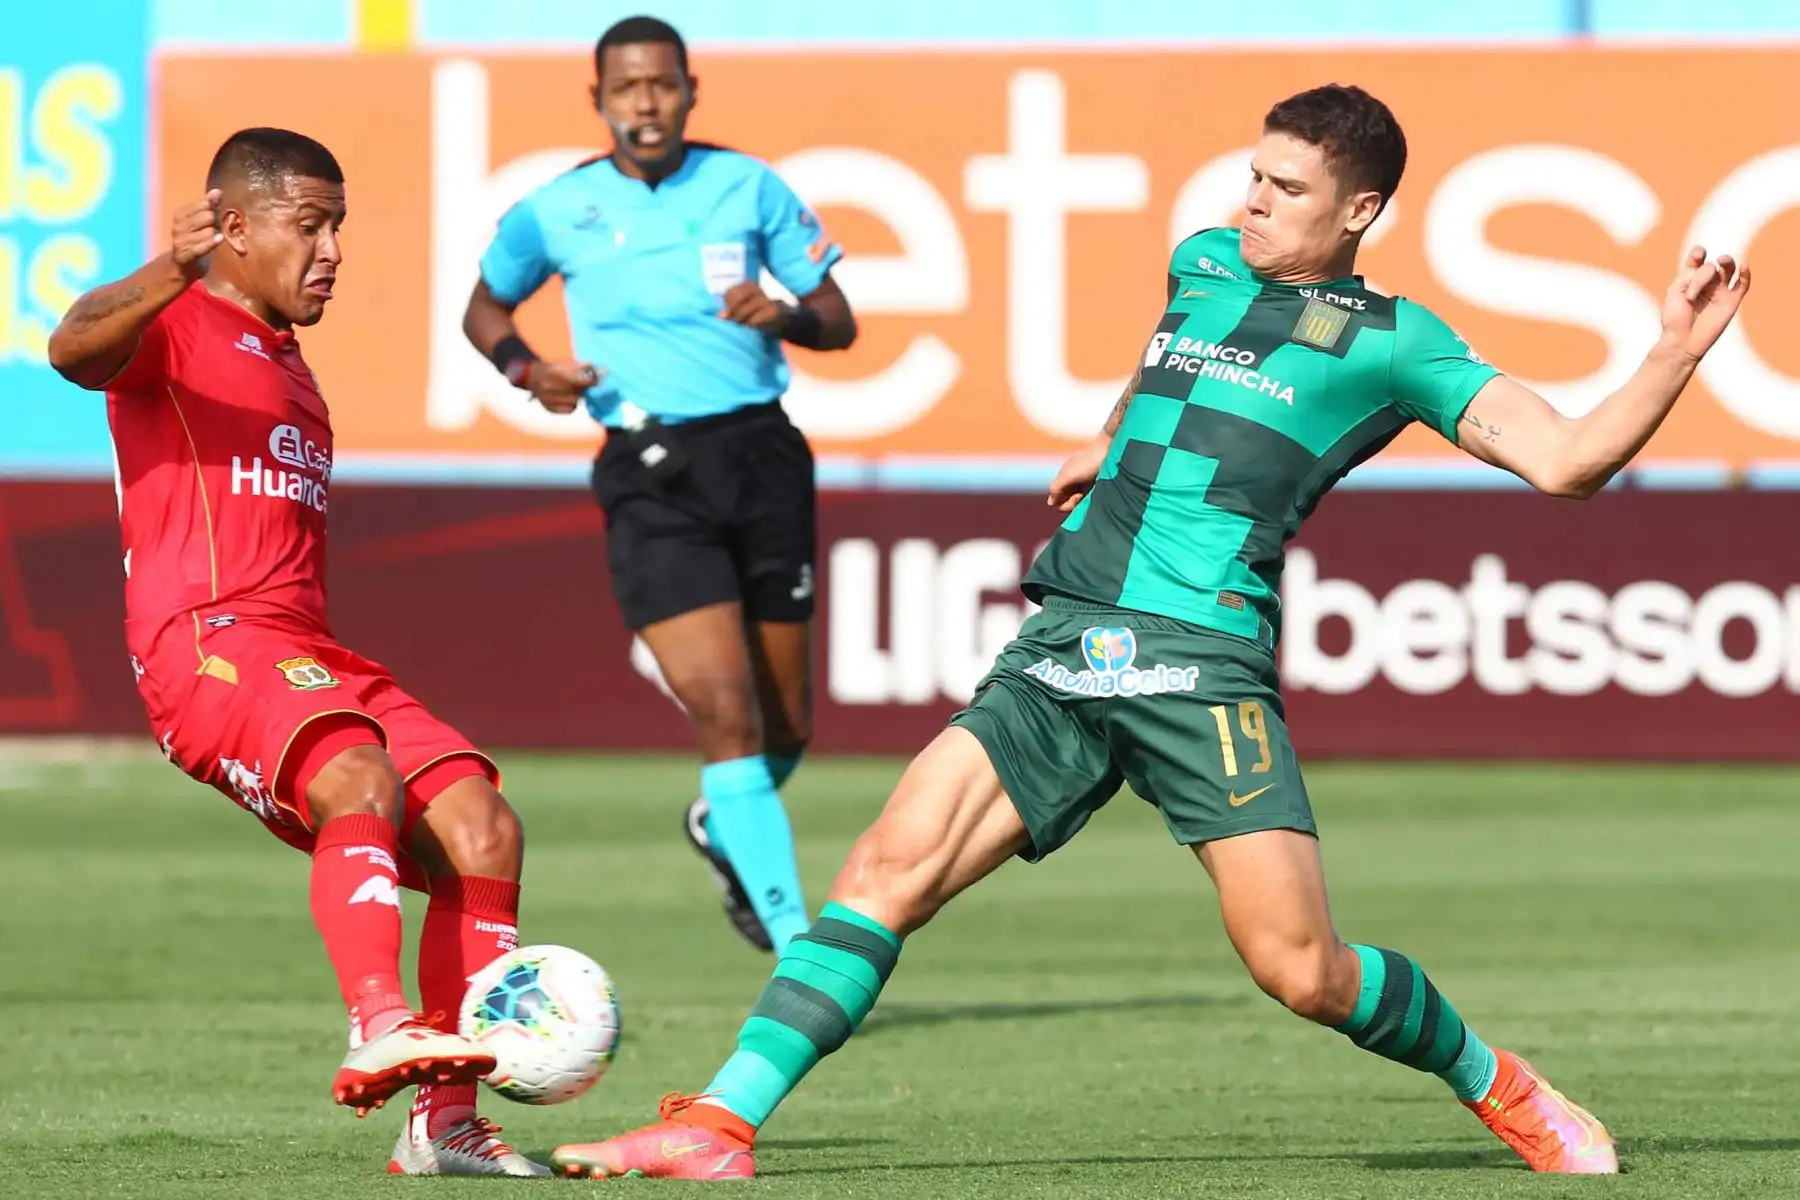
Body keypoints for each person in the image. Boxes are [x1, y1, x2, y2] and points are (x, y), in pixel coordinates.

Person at [547, 83, 1753, 1181]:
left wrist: (1673, 353)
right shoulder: (1204, 261)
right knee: (882, 871)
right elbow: (1161, 373)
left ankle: (1503, 1086)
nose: (1254, 200)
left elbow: (1567, 461)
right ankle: (720, 1126)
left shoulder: (1393, 342)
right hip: (1067, 643)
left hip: (1199, 665)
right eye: (1254, 174)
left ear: (1360, 210)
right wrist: (1108, 440)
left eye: (1288, 188)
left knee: (1303, 972)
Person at [48, 127, 547, 1178]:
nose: (333, 250)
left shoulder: (290, 367)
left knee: (482, 823)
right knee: (356, 772)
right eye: (310, 225)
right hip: (207, 641)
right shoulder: (177, 322)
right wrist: (170, 267)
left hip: (306, 648)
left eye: (340, 227)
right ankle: (379, 1022)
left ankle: (446, 1125)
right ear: (233, 228)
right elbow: (71, 348)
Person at [462, 15, 857, 957]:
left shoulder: (747, 185)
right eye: (627, 87)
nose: (646, 103)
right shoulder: (558, 208)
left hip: (761, 458)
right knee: (727, 715)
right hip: (650, 473)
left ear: (690, 91)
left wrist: (785, 313)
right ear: (598, 99)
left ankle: (723, 824)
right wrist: (529, 371)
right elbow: (484, 308)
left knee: (785, 729)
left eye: (663, 84)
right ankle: (798, 952)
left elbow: (838, 320)